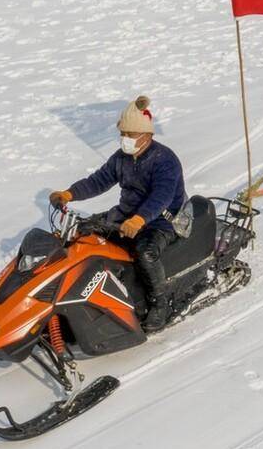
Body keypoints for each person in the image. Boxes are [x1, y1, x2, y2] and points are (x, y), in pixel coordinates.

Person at [49, 96, 186, 332]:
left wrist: (140, 219)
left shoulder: (165, 160)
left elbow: (161, 196)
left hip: (160, 220)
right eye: (123, 134)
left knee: (145, 253)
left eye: (130, 135)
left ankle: (159, 304)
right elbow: (98, 181)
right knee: (85, 233)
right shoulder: (121, 158)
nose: (125, 139)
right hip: (126, 215)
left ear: (147, 136)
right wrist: (69, 194)